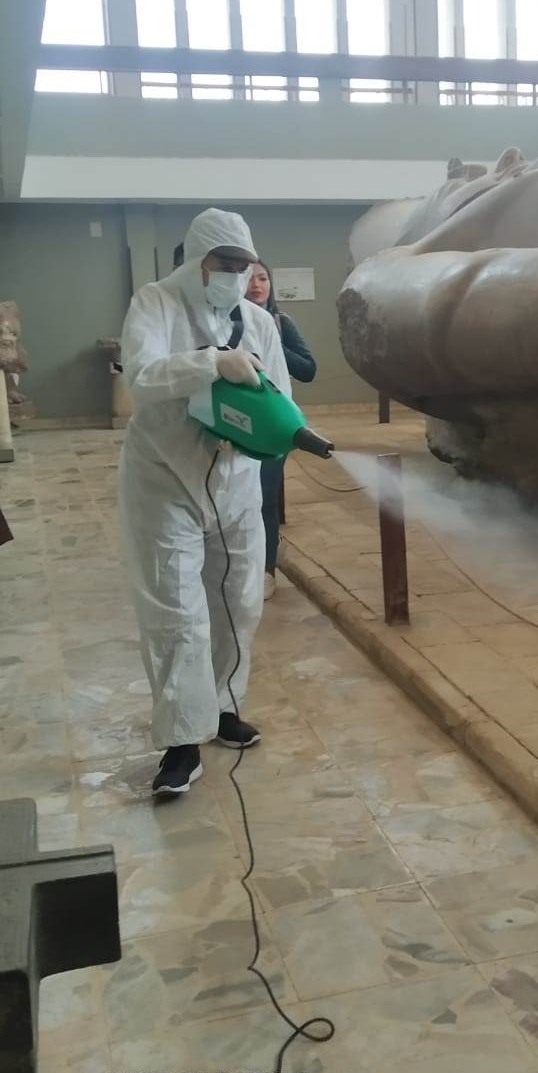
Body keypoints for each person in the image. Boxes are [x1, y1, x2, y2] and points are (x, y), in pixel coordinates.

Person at [119, 208, 292, 797]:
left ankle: (221, 706)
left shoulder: (258, 321)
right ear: (198, 261)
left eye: (245, 265)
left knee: (238, 599)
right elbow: (142, 376)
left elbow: (280, 394)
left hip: (237, 482)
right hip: (166, 477)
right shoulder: (156, 304)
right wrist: (212, 362)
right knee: (176, 607)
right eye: (225, 263)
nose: (236, 275)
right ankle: (181, 741)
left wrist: (264, 433)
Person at [245, 259, 317, 599]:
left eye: (263, 278)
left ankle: (267, 570)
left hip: (273, 425)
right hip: (234, 424)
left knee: (265, 498)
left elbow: (308, 370)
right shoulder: (223, 323)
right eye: (249, 279)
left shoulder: (280, 322)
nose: (257, 285)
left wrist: (273, 341)